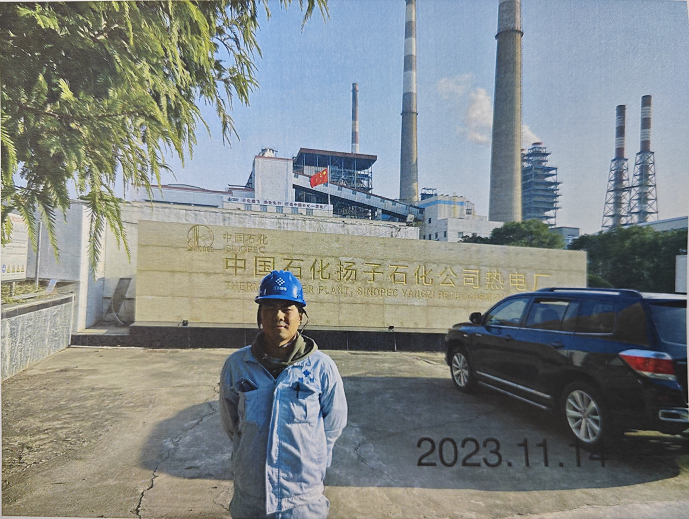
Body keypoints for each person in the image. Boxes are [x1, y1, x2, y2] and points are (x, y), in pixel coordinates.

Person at [219, 270, 348, 519]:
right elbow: (231, 424)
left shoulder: (321, 367)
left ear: (300, 316)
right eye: (269, 308)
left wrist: (313, 463)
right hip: (251, 498)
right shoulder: (237, 365)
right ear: (260, 315)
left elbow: (333, 426)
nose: (278, 315)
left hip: (302, 501)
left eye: (287, 308)